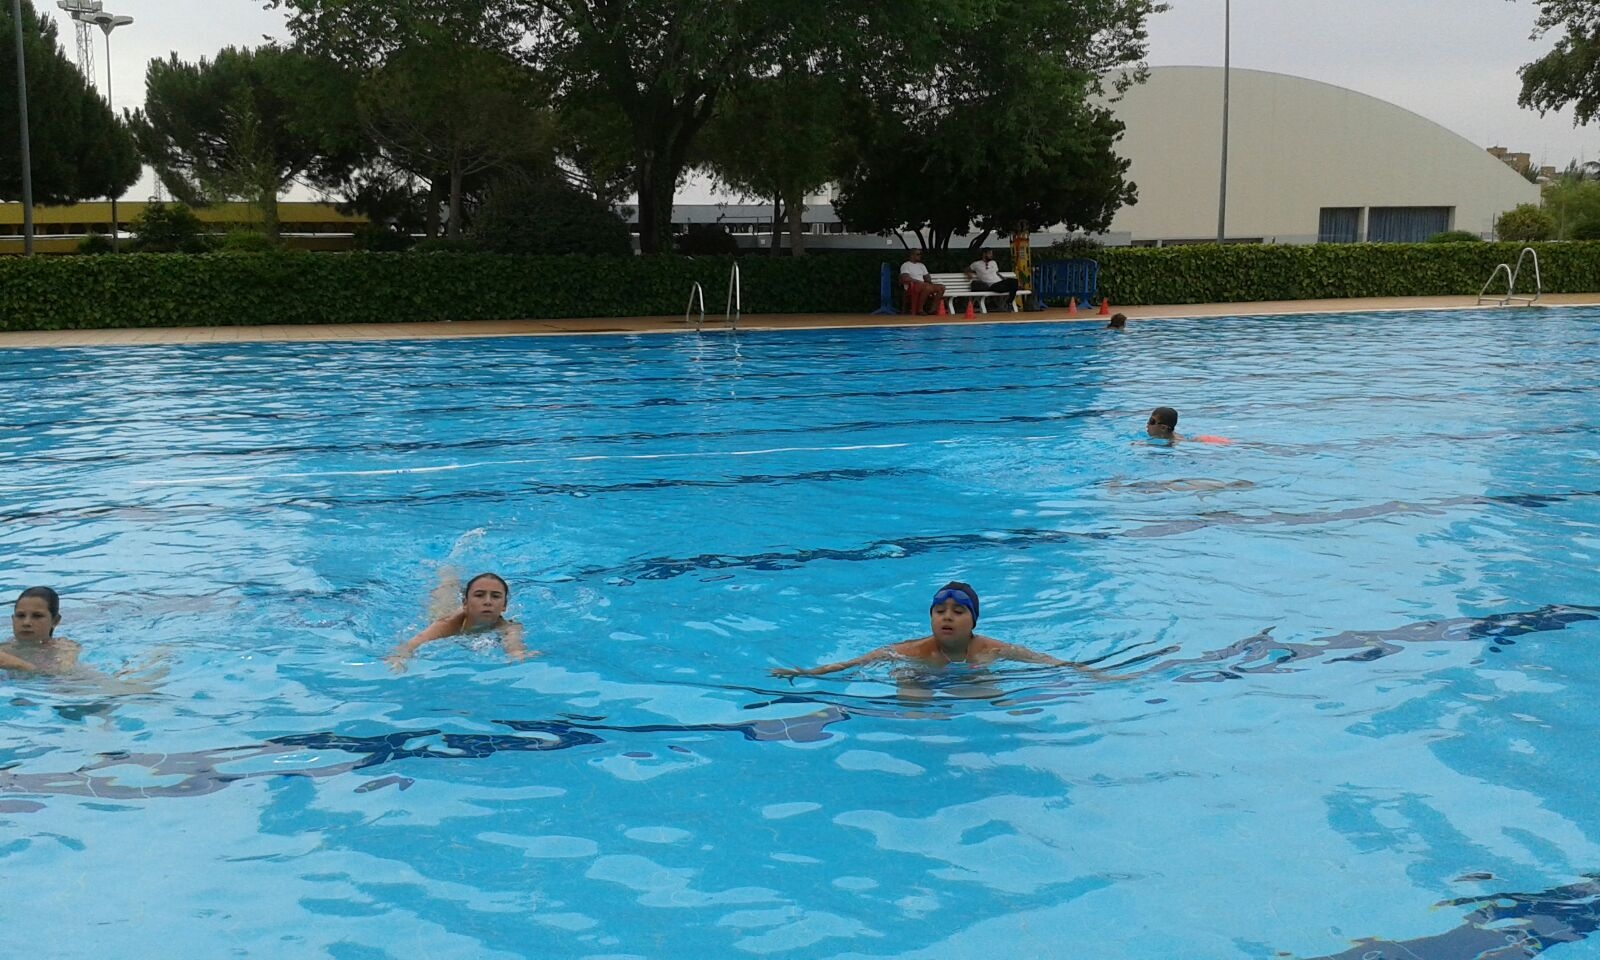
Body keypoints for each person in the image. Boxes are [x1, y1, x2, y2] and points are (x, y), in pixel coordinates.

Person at [770, 582, 1093, 678]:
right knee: (906, 677)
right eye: (939, 612)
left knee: (983, 679)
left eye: (957, 612)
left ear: (974, 622)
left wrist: (1091, 672)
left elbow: (1044, 660)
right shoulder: (915, 650)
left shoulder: (989, 648)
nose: (946, 618)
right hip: (920, 672)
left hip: (974, 672)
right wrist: (810, 672)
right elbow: (859, 661)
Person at [386, 571, 533, 671]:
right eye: (479, 595)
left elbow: (515, 646)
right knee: (444, 595)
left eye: (495, 596)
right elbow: (411, 644)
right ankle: (448, 574)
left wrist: (519, 654)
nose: (488, 602)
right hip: (446, 612)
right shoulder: (447, 624)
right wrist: (399, 657)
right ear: (465, 603)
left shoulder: (509, 627)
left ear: (505, 605)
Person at [1, 586, 82, 674]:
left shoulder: (65, 649)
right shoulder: (4, 649)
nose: (26, 623)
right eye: (20, 616)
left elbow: (62, 677)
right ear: (13, 619)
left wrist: (19, 665)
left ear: (55, 621)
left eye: (37, 616)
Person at [1145, 406, 1231, 444]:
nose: (1147, 424)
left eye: (1151, 421)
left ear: (1163, 428)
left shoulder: (1172, 443)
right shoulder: (1170, 436)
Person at [898, 249, 946, 316]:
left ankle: (933, 309)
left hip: (923, 285)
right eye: (918, 254)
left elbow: (927, 277)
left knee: (941, 287)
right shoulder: (906, 265)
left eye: (920, 254)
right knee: (926, 287)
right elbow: (905, 278)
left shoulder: (921, 265)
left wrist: (927, 278)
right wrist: (918, 282)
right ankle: (920, 310)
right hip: (912, 286)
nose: (920, 256)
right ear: (912, 255)